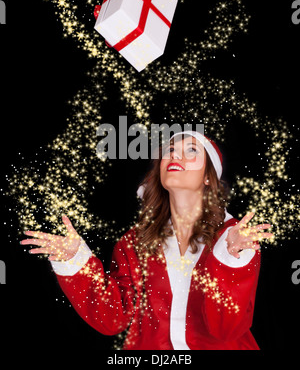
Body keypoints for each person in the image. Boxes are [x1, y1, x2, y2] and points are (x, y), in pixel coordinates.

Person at [21, 131, 273, 350]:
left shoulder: (234, 237)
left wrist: (229, 258)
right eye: (171, 150)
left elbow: (226, 329)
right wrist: (75, 260)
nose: (175, 155)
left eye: (191, 150)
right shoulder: (135, 242)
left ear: (209, 176)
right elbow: (112, 318)